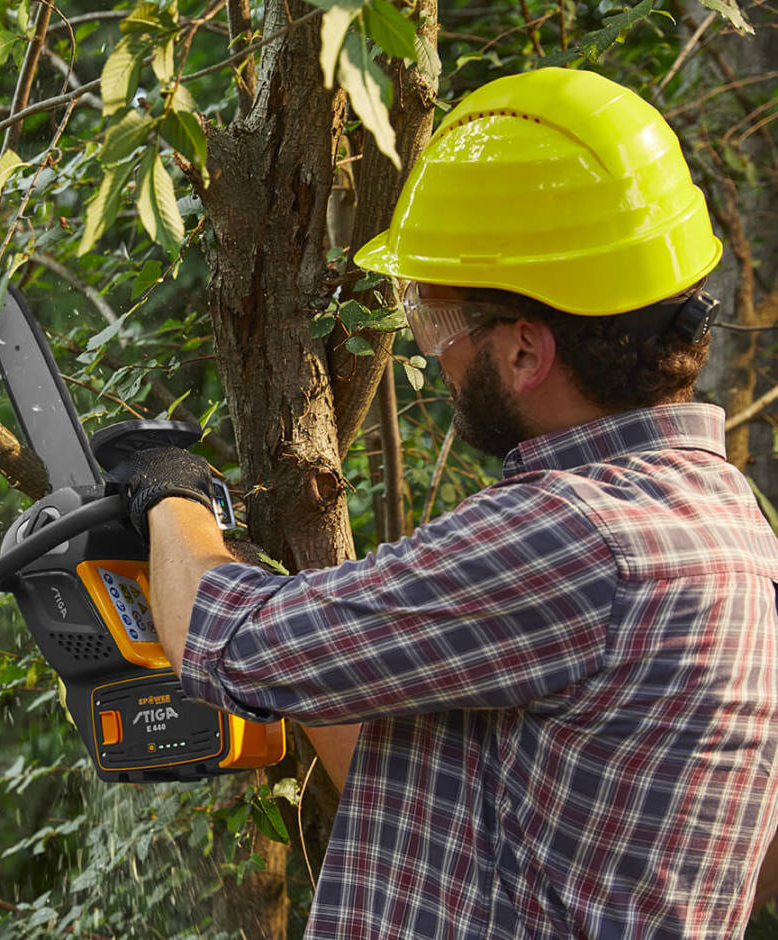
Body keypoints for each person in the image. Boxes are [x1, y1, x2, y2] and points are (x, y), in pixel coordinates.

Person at [122, 68, 778, 938]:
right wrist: (327, 650)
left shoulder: (576, 537)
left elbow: (229, 644)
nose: (435, 356)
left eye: (437, 325)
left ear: (524, 351)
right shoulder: (725, 519)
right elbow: (485, 817)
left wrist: (170, 495)